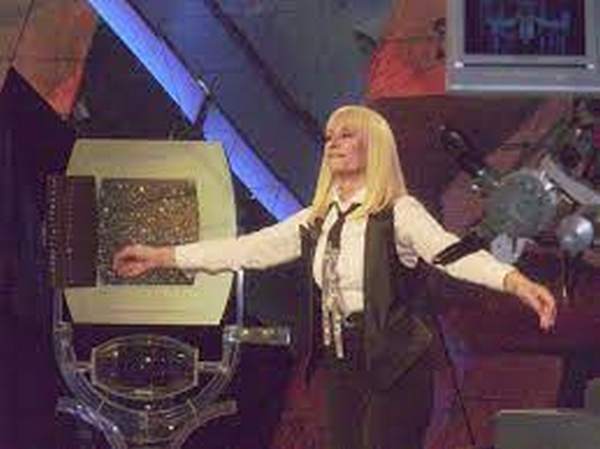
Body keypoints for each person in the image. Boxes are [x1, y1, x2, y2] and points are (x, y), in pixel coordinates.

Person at [113, 105, 556, 449]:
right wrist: (163, 256)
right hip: (342, 361)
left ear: (374, 147)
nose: (333, 143)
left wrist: (514, 281)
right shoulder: (317, 219)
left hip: (396, 362)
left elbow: (451, 254)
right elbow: (246, 249)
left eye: (347, 135)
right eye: (329, 137)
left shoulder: (399, 212)